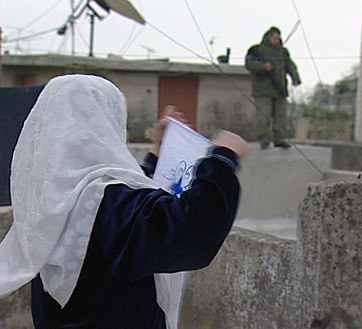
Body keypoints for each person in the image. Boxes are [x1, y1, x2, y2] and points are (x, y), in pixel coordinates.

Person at [0, 74, 248, 328]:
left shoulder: (51, 195)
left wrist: (157, 156)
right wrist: (221, 161)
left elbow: (127, 212)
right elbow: (189, 232)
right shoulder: (106, 201)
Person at [245, 26, 301, 150]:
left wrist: (295, 78)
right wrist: (263, 66)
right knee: (263, 117)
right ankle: (264, 139)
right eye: (274, 38)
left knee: (281, 117)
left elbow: (290, 66)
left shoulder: (282, 52)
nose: (277, 40)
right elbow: (249, 64)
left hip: (279, 90)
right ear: (268, 37)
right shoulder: (256, 50)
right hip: (263, 90)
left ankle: (280, 139)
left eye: (278, 38)